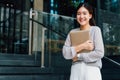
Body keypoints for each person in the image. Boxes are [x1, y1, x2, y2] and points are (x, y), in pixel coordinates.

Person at [62, 2, 104, 80]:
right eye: (78, 14)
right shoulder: (72, 32)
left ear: (90, 15)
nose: (81, 16)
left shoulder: (95, 30)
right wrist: (83, 46)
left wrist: (78, 56)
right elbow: (65, 53)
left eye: (84, 13)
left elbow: (99, 53)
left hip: (92, 70)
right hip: (76, 70)